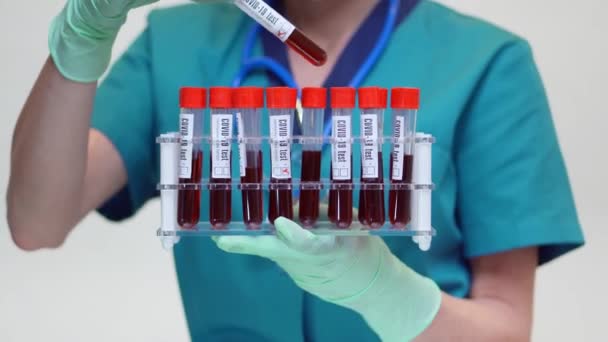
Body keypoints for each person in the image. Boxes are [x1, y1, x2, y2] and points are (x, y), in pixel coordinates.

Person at [7, 0, 584, 340]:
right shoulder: (177, 40)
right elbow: (36, 223)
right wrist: (80, 40)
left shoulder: (484, 62)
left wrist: (387, 294)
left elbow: (507, 327)